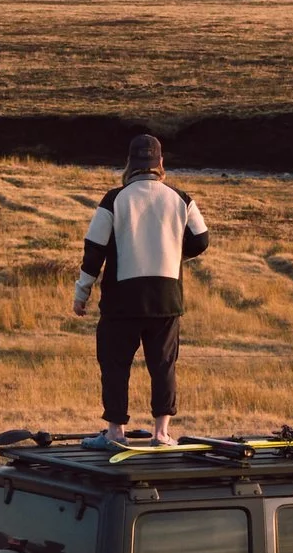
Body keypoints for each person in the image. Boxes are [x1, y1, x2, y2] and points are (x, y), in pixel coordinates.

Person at [73, 133, 209, 449]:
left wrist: (82, 293)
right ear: (160, 164)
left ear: (130, 165)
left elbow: (94, 251)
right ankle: (161, 433)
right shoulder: (181, 198)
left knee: (115, 364)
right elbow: (201, 239)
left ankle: (116, 431)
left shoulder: (114, 199)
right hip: (166, 297)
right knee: (163, 365)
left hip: (122, 298)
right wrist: (177, 253)